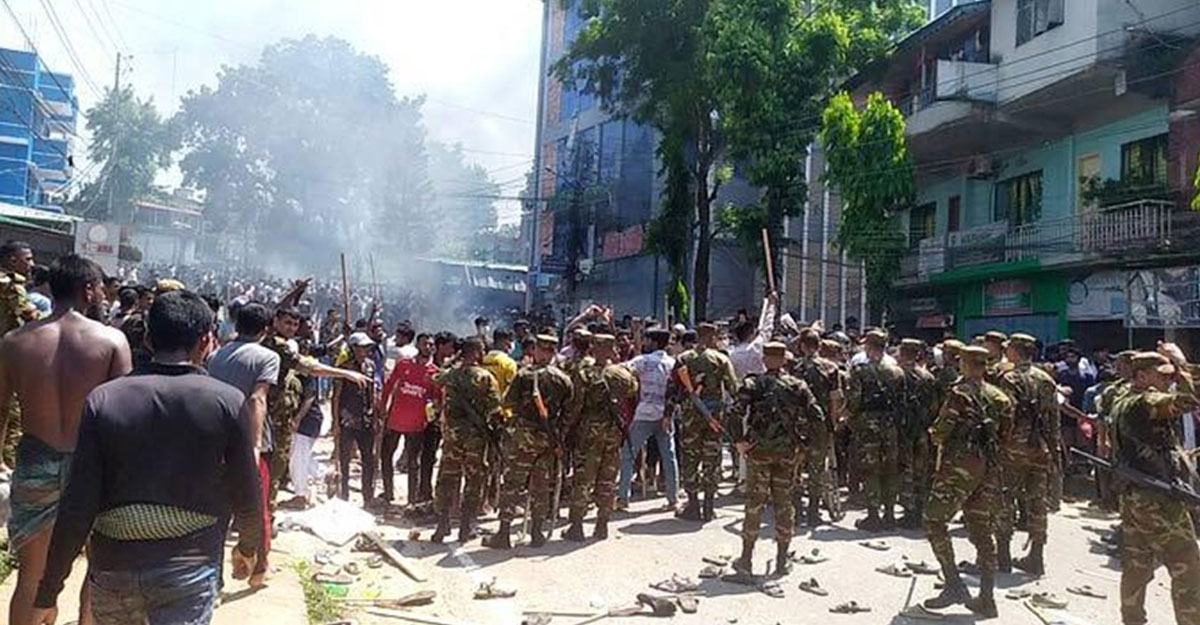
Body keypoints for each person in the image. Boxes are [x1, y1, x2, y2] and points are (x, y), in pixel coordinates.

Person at [31, 291, 262, 625]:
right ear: (206, 341)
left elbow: (77, 503)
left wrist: (49, 591)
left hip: (114, 570)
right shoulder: (227, 401)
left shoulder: (104, 400)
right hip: (188, 570)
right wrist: (248, 547)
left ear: (149, 339)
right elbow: (247, 489)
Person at [0, 254, 132, 625]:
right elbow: (125, 413)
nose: (104, 295)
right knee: (98, 570)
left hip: (35, 460)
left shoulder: (14, 342)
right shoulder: (111, 340)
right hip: (92, 466)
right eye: (100, 288)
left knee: (31, 575)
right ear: (88, 289)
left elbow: (1, 410)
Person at [1112, 351, 1200, 625]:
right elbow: (1188, 402)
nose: (1168, 381)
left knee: (1137, 565)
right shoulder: (1144, 401)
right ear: (1141, 376)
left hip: (1136, 496)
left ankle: (1132, 619)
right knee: (1188, 566)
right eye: (1162, 376)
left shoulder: (1123, 398)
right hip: (1157, 500)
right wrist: (1182, 365)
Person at [922, 345, 1010, 618]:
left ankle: (953, 584)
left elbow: (941, 431)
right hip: (989, 467)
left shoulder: (959, 394)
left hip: (959, 466)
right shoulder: (1000, 397)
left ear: (966, 364)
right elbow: (1006, 434)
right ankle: (986, 597)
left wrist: (934, 433)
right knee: (982, 530)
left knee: (934, 521)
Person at [730, 342, 822, 576]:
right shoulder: (797, 385)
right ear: (784, 360)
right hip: (787, 454)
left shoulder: (753, 384)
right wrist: (805, 446)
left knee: (754, 504)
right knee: (784, 504)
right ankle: (781, 560)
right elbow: (817, 417)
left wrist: (739, 441)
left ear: (764, 359)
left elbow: (734, 412)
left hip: (758, 452)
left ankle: (746, 559)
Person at [206, 303, 280, 588]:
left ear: (237, 325)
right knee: (257, 507)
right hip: (248, 441)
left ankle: (215, 579)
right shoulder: (268, 357)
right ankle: (257, 568)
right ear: (265, 329)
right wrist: (256, 445)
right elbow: (257, 399)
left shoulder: (216, 355)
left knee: (217, 513)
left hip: (215, 440)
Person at [484, 334, 573, 549]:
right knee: (541, 486)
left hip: (522, 439)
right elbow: (570, 412)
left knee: (513, 484)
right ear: (553, 352)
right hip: (548, 440)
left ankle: (504, 533)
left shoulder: (524, 375)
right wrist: (558, 433)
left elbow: (507, 402)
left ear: (537, 350)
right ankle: (537, 533)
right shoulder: (563, 379)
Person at [993, 333, 1059, 576]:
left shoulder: (1009, 378)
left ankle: (1003, 556)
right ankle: (1036, 557)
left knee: (1005, 498)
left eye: (1008, 348)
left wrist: (998, 443)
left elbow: (1005, 414)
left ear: (1016, 351)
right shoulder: (1046, 379)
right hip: (1040, 447)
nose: (1005, 352)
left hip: (1013, 447)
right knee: (1037, 501)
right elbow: (1054, 419)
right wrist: (1054, 449)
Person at [563, 333, 638, 541]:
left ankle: (577, 526)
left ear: (595, 349)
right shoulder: (621, 373)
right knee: (607, 478)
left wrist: (567, 429)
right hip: (613, 431)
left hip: (589, 432)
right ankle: (602, 524)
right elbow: (633, 391)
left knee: (583, 478)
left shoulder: (584, 374)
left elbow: (576, 405)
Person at [430, 337, 501, 543]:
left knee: (447, 478)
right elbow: (496, 409)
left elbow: (435, 377)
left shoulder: (450, 375)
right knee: (474, 480)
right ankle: (466, 527)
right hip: (476, 439)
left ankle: (442, 524)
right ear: (477, 352)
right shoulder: (486, 377)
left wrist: (454, 360)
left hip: (452, 436)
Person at [673, 322, 738, 521]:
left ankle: (693, 505)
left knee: (690, 458)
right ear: (713, 337)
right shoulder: (721, 359)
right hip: (714, 417)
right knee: (712, 458)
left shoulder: (683, 358)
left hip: (690, 416)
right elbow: (733, 388)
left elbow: (673, 389)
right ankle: (709, 506)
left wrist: (668, 413)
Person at [847, 329, 905, 530]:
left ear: (869, 346)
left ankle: (873, 515)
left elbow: (854, 400)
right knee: (890, 469)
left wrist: (851, 418)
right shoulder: (897, 371)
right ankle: (889, 514)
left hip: (868, 426)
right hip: (890, 426)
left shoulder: (860, 370)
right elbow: (902, 402)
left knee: (871, 469)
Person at [617, 327, 680, 511]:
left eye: (647, 339)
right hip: (665, 415)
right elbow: (676, 391)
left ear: (653, 342)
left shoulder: (642, 361)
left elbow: (621, 371)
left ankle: (623, 498)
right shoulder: (672, 363)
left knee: (628, 455)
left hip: (644, 413)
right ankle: (673, 498)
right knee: (669, 457)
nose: (645, 342)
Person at [792, 328, 844, 526]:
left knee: (796, 466)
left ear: (802, 346)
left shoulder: (795, 368)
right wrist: (834, 421)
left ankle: (797, 509)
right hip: (820, 423)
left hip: (798, 423)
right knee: (817, 466)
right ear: (819, 345)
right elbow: (834, 399)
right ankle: (814, 511)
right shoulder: (831, 368)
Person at [380, 332, 438, 505]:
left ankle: (411, 500)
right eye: (424, 344)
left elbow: (437, 399)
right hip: (394, 420)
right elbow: (389, 386)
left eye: (430, 344)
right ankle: (388, 493)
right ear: (417, 345)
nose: (428, 347)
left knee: (413, 463)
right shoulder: (403, 365)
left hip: (416, 425)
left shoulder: (435, 373)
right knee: (386, 456)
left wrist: (431, 416)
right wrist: (382, 408)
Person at [333, 332, 379, 506]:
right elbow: (336, 396)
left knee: (368, 459)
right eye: (361, 347)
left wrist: (375, 416)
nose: (365, 351)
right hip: (347, 419)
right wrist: (335, 422)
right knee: (344, 459)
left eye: (367, 347)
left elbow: (372, 391)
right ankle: (344, 495)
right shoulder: (344, 369)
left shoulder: (370, 366)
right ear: (353, 349)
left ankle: (368, 496)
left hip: (366, 419)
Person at [897, 338, 937, 530]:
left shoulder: (897, 374)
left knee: (905, 470)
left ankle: (909, 511)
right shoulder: (928, 377)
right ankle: (920, 509)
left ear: (902, 352)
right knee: (921, 470)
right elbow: (934, 405)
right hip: (922, 429)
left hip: (903, 429)